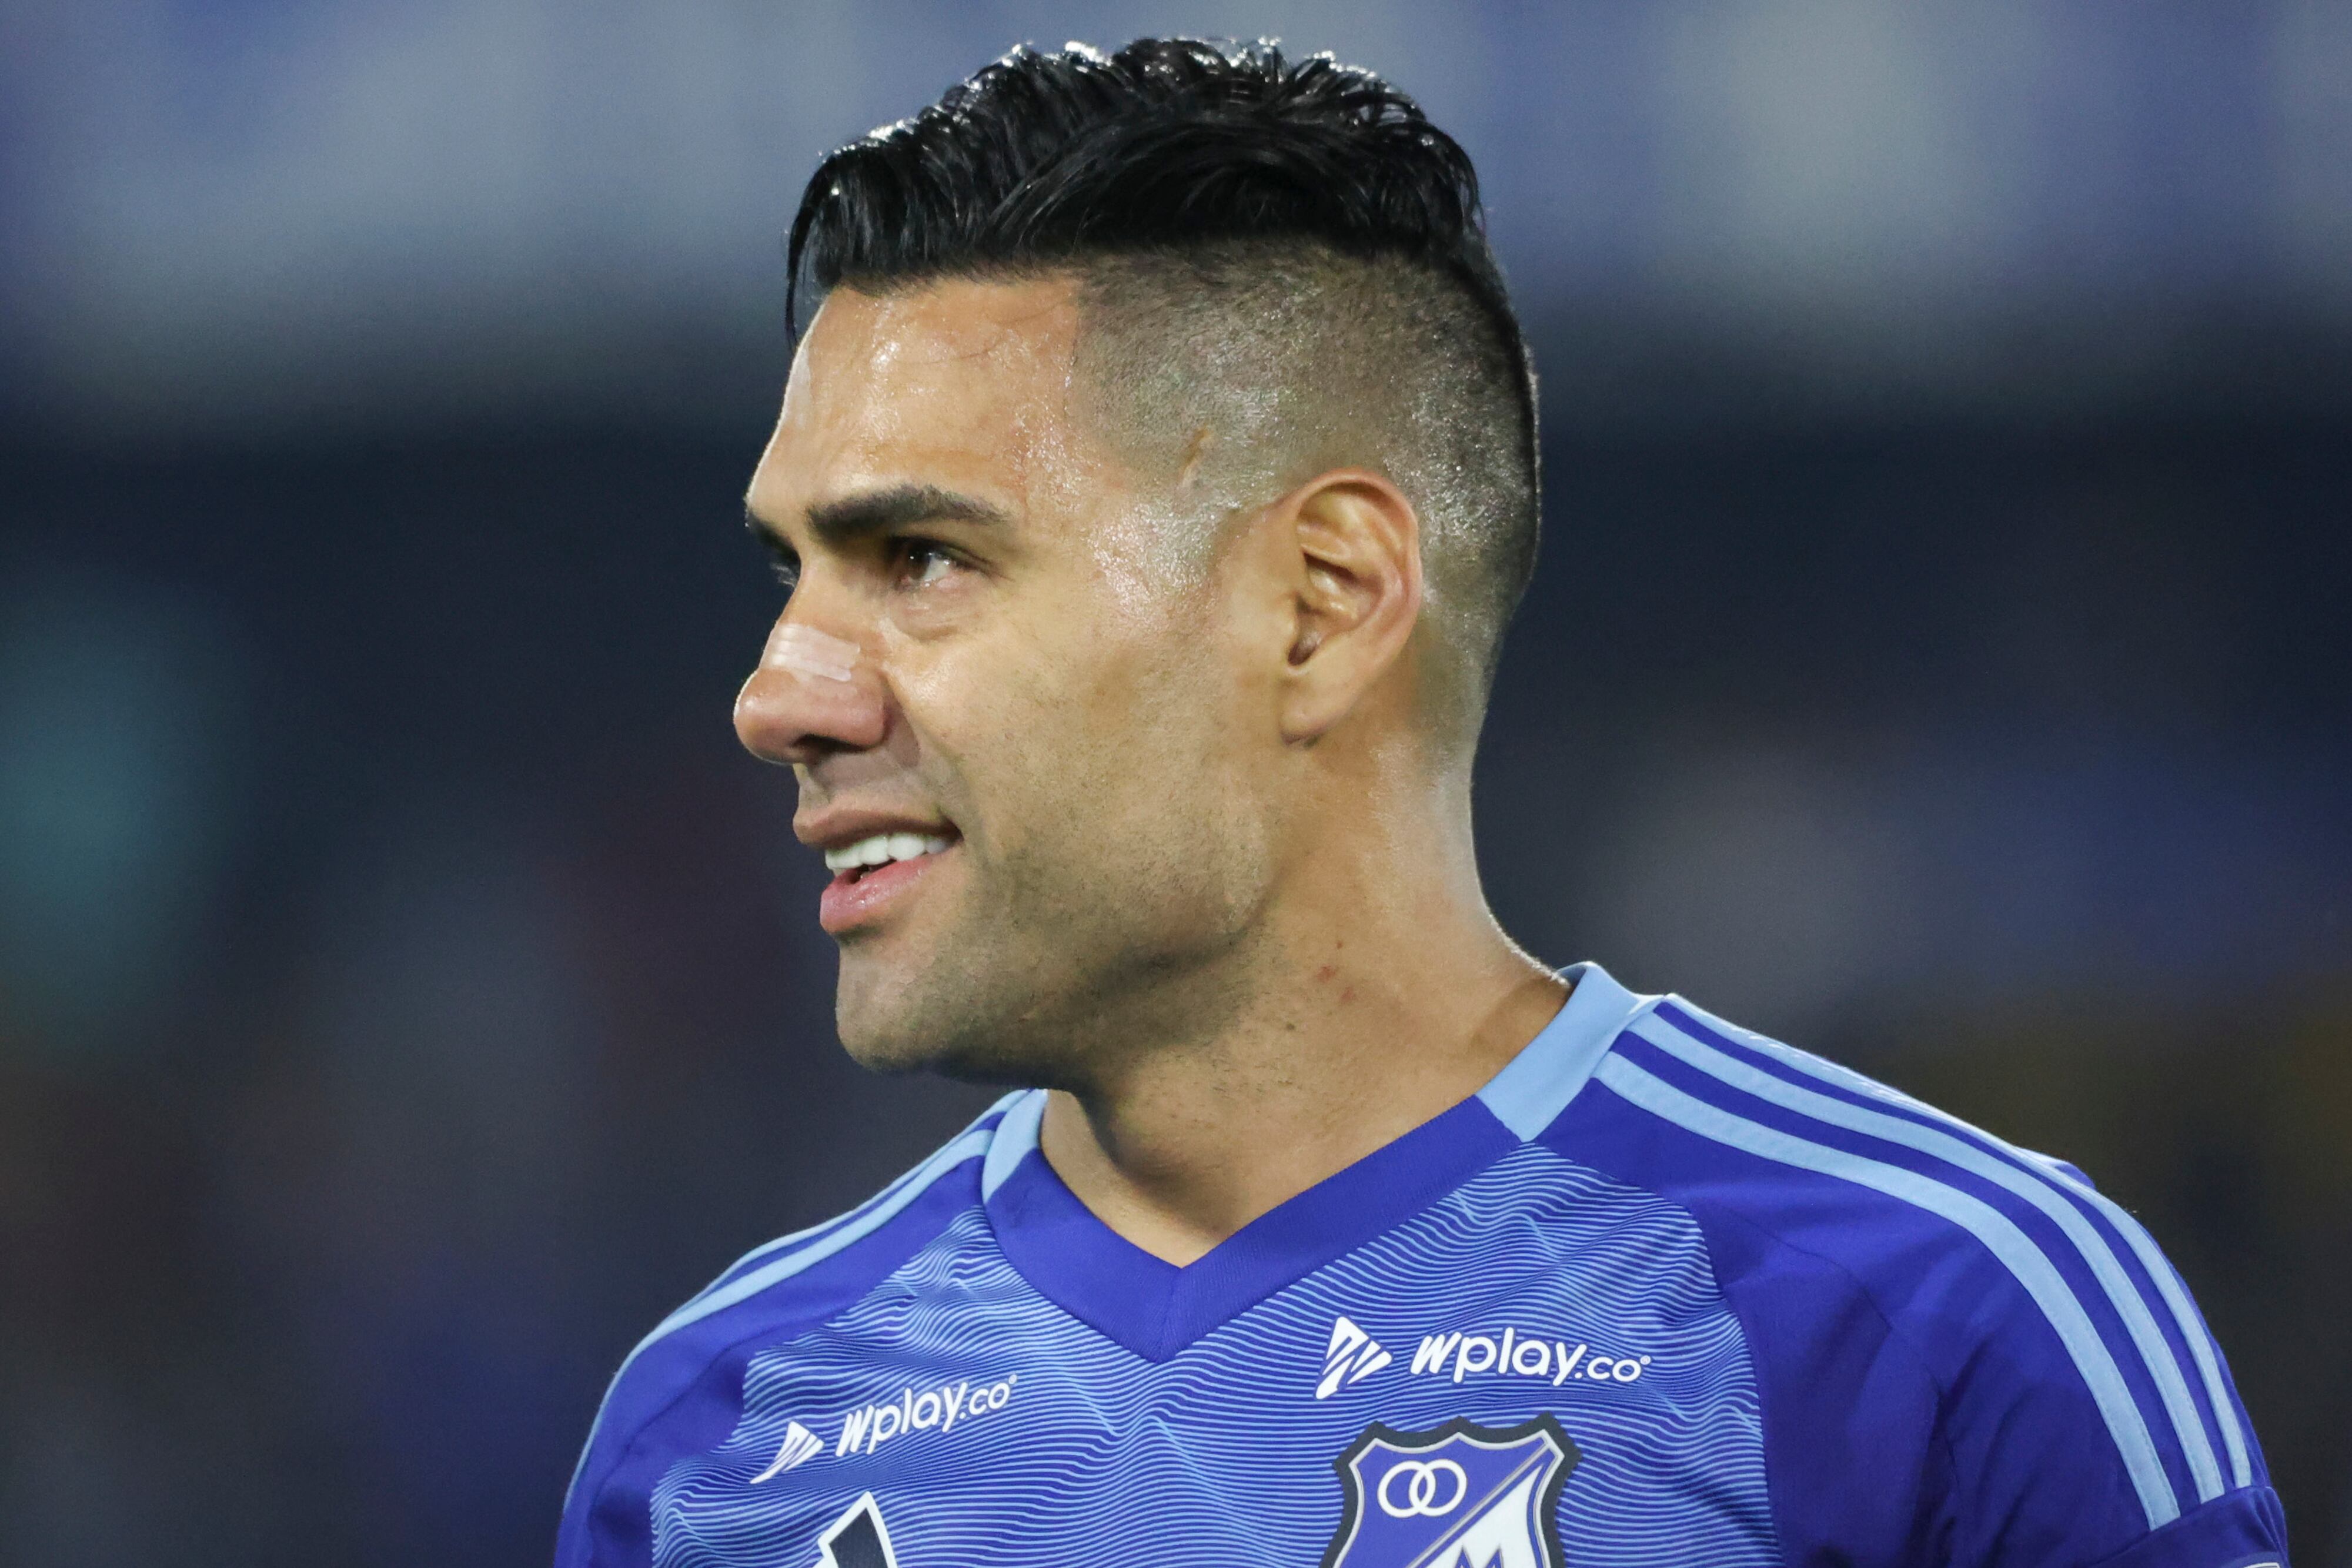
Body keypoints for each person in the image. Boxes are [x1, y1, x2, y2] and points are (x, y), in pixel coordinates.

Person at [556, 38, 2286, 1568]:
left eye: (919, 558)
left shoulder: (1937, 1329)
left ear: (1319, 603)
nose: (780, 694)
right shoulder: (712, 1438)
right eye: (791, 573)